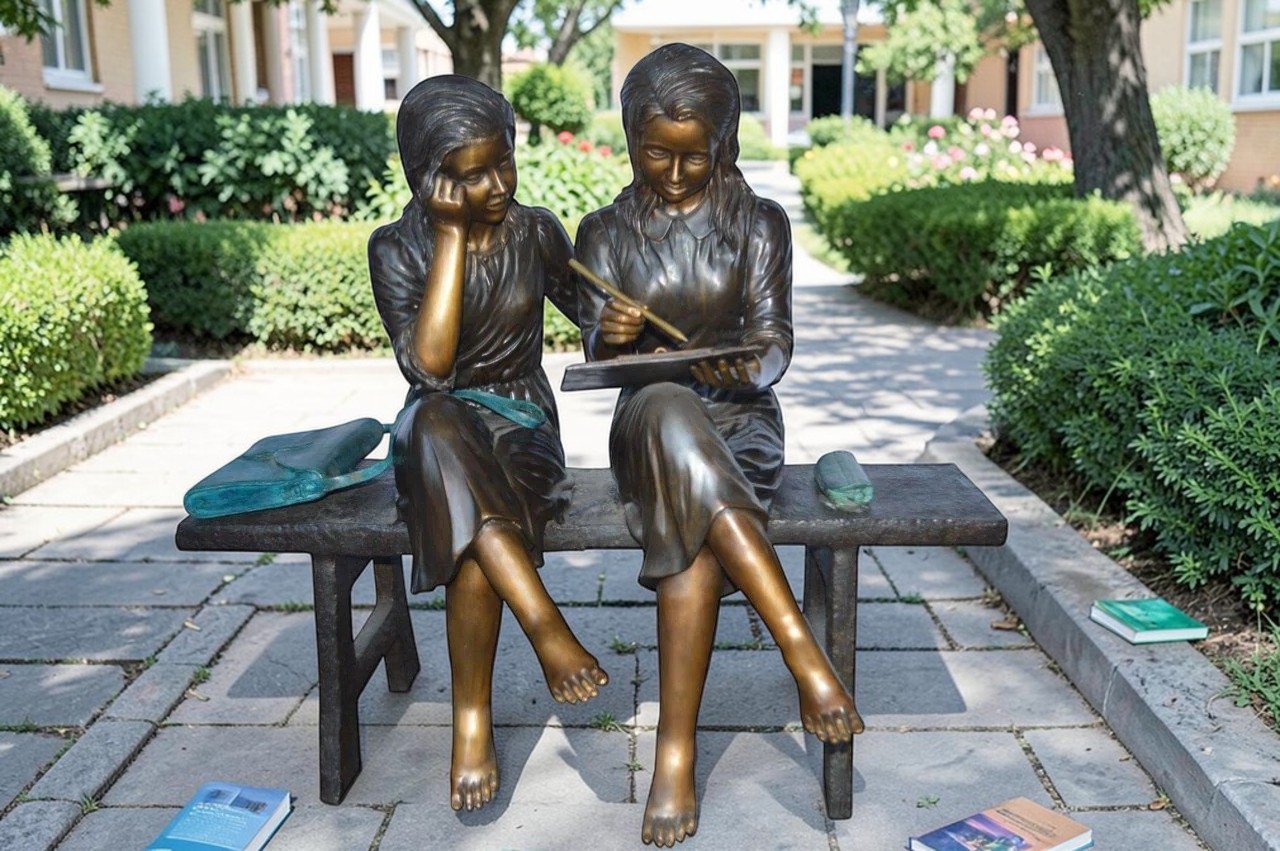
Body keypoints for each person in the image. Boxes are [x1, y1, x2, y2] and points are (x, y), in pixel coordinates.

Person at [574, 44, 861, 847]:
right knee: (665, 402)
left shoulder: (759, 224)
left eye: (692, 156)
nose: (671, 171)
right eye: (653, 152)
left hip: (741, 425)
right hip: (649, 429)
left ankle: (674, 748)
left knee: (695, 546)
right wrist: (610, 334)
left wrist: (749, 361)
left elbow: (776, 340)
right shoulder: (604, 233)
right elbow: (597, 362)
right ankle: (802, 652)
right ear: (631, 137)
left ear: (723, 143)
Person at [368, 75, 608, 813]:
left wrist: (615, 324)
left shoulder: (533, 231)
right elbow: (430, 367)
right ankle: (547, 628)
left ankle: (471, 721)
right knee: (439, 423)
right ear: (429, 178)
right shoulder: (396, 248)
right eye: (473, 174)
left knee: (471, 537)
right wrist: (448, 235)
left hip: (521, 426)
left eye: (504, 161)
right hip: (438, 435)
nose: (499, 184)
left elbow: (591, 313)